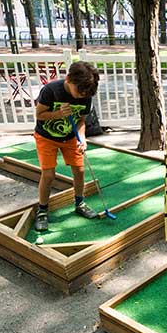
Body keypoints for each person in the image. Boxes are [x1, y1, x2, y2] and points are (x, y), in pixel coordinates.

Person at [33, 62, 101, 231]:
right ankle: (42, 210)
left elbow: (81, 121)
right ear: (69, 79)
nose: (80, 97)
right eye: (79, 92)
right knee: (48, 174)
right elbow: (39, 115)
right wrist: (58, 114)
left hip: (71, 137)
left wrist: (82, 138)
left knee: (79, 170)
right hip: (46, 137)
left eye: (84, 95)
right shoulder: (51, 90)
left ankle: (79, 203)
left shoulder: (85, 94)